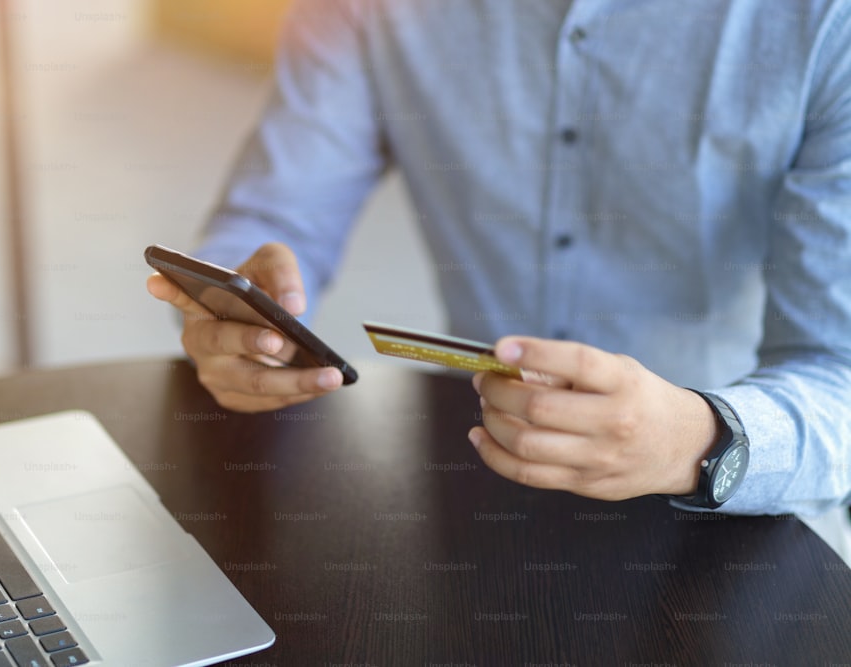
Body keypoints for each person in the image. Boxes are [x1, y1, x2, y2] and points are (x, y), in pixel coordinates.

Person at [148, 0, 851, 517]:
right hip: (477, 473)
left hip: (732, 505)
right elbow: (278, 212)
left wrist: (696, 438)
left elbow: (839, 374)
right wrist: (236, 310)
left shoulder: (826, 24)